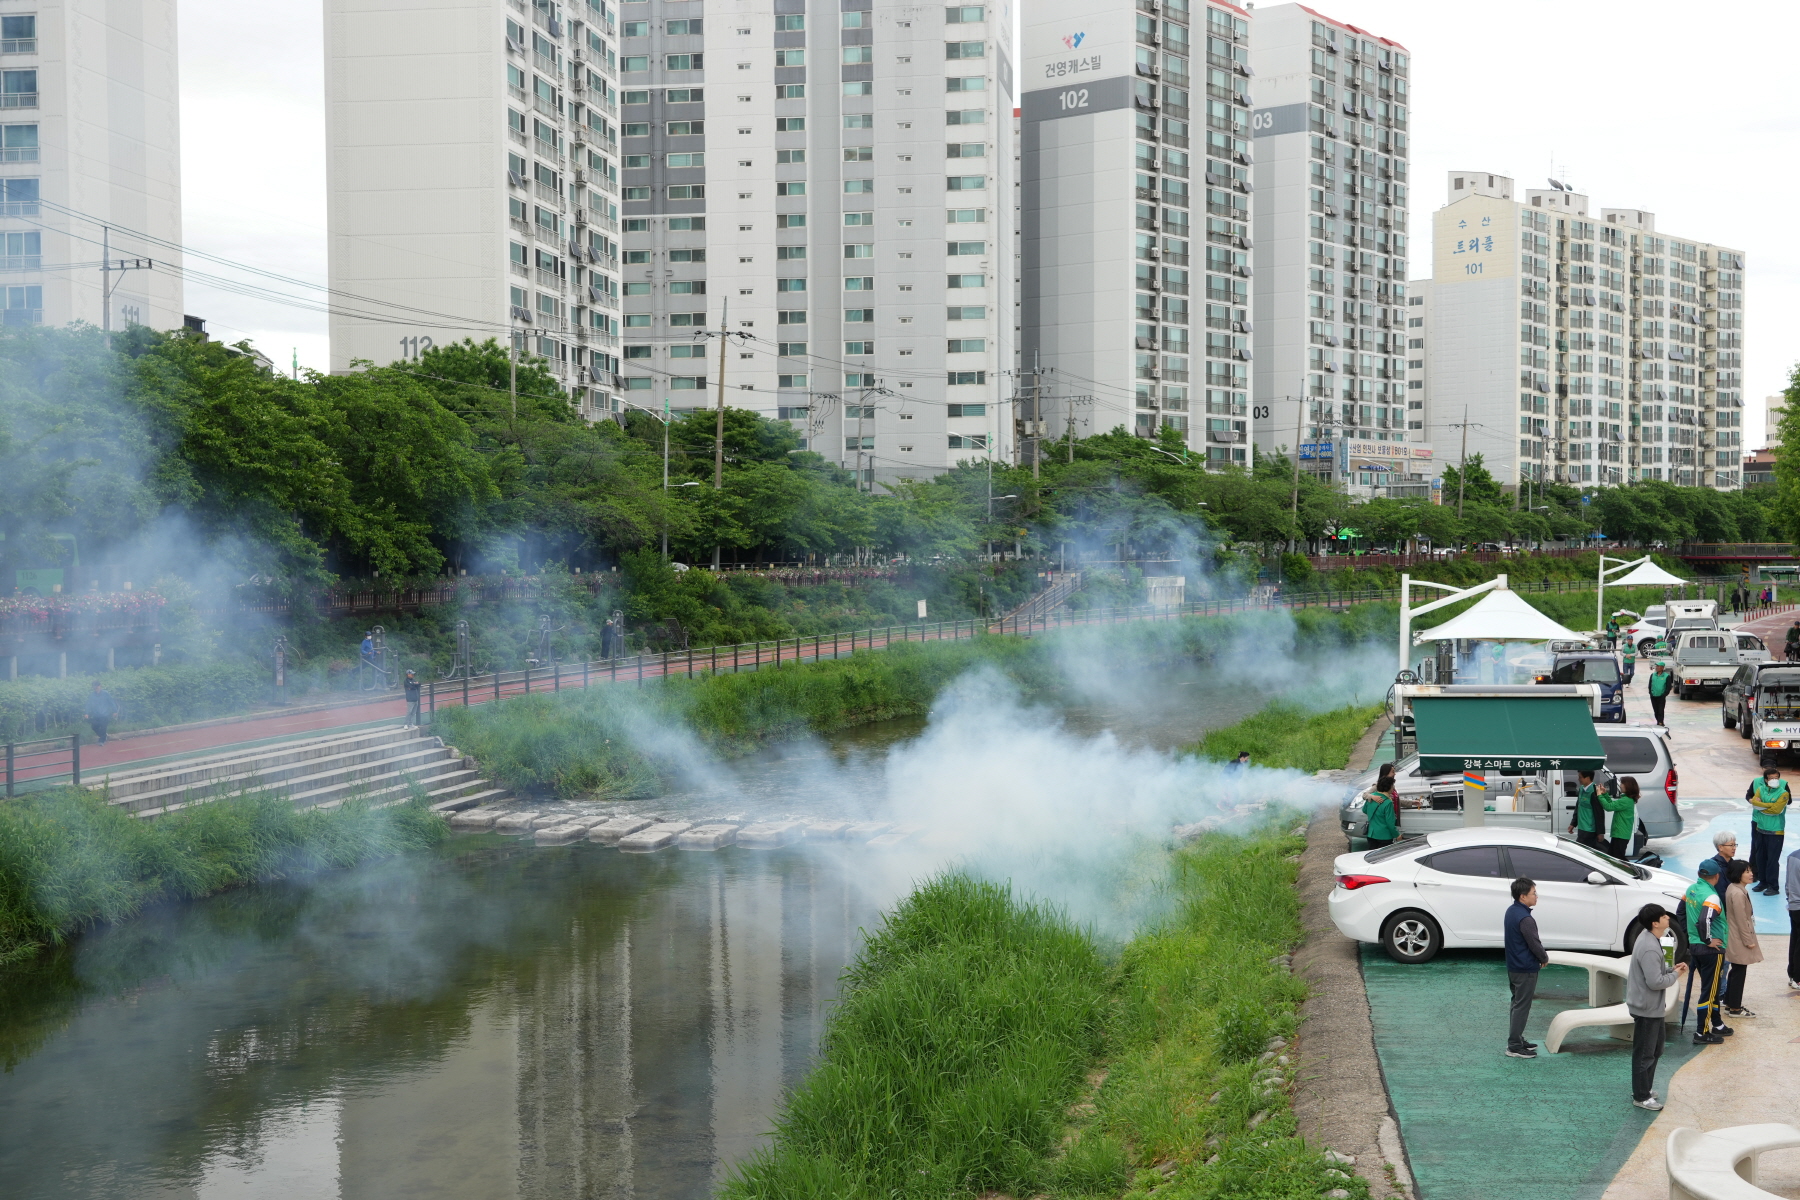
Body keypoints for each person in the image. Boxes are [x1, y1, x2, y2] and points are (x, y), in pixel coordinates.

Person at [1626, 903, 1687, 1111]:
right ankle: (1641, 1095)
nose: (1667, 918)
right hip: (1646, 1008)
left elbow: (1659, 970)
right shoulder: (1649, 947)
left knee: (1656, 1049)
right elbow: (1655, 982)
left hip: (1652, 1007)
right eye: (1663, 916)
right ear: (1654, 923)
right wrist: (1676, 974)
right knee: (1645, 1053)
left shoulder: (1652, 939)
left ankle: (1645, 1088)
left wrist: (1671, 968)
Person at [1685, 863, 1731, 1044]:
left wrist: (1692, 937)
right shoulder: (1712, 896)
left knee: (1710, 988)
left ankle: (1717, 1024)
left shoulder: (1691, 890)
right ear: (1717, 876)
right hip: (1711, 950)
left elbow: (1681, 912)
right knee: (1709, 992)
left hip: (1695, 948)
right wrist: (1708, 940)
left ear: (1699, 873)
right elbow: (1705, 919)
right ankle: (1701, 1032)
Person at [1504, 877, 1548, 1058]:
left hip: (1513, 967)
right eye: (1534, 893)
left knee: (1516, 1004)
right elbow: (1534, 943)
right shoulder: (1526, 919)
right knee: (1522, 1006)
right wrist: (1543, 957)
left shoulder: (1511, 911)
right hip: (1525, 969)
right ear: (1523, 897)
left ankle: (1517, 1039)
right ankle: (1514, 1046)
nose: (1536, 896)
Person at [1722, 860, 1762, 1020]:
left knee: (1736, 970)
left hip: (1735, 935)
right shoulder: (1737, 893)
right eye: (1747, 871)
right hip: (1738, 938)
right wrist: (1748, 941)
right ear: (1738, 874)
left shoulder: (1735, 889)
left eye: (1750, 870)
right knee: (1739, 971)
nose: (1751, 874)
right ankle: (1735, 1008)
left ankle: (1730, 1002)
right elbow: (1741, 919)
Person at [1747, 768, 1790, 895]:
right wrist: (1769, 805)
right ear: (1765, 780)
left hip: (1775, 832)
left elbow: (1776, 810)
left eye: (1776, 778)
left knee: (1772, 860)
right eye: (1771, 778)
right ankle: (1763, 882)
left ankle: (1773, 886)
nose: (1774, 780)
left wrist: (1762, 807)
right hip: (1760, 829)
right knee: (1760, 857)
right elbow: (1754, 803)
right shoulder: (1760, 789)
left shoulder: (1783, 793)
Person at [1602, 776, 1640, 860]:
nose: (1621, 785)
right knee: (1613, 856)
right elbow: (1612, 804)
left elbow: (1608, 807)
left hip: (1620, 834)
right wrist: (1604, 794)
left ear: (1628, 786)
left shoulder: (1626, 800)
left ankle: (1631, 871)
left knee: (1617, 857)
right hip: (1620, 833)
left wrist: (1599, 796)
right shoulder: (1626, 799)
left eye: (1622, 783)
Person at [1363, 765, 1399, 849]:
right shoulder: (1388, 802)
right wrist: (1397, 835)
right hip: (1384, 835)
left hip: (1371, 833)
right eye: (1393, 771)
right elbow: (1390, 823)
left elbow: (1364, 810)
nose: (1395, 773)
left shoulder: (1373, 797)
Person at [1569, 769, 1603, 850]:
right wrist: (1573, 824)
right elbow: (1578, 807)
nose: (1578, 779)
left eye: (1580, 777)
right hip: (1581, 828)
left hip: (1589, 829)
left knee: (1581, 851)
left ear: (1587, 778)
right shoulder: (1581, 789)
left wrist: (1600, 832)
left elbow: (1599, 813)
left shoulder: (1595, 791)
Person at [84, 680, 120, 745]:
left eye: (97, 687)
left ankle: (101, 741)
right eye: (94, 688)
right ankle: (104, 735)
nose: (96, 689)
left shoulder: (106, 693)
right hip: (96, 714)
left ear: (100, 686)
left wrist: (115, 711)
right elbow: (88, 704)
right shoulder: (92, 695)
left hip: (105, 714)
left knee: (103, 727)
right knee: (94, 727)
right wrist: (87, 713)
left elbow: (111, 702)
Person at [1786, 841, 1800, 990]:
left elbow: (1788, 884)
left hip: (1793, 905)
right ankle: (1798, 977)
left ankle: (1793, 975)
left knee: (1795, 939)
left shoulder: (1792, 856)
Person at [1646, 662, 1673, 726]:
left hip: (1661, 696)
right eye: (1657, 666)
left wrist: (1664, 694)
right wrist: (1650, 693)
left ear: (1662, 668)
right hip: (1653, 696)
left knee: (1661, 710)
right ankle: (1658, 720)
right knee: (1656, 710)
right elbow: (1650, 685)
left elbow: (1669, 687)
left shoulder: (1667, 676)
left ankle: (1660, 722)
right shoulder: (1653, 675)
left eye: (1659, 666)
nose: (1657, 667)